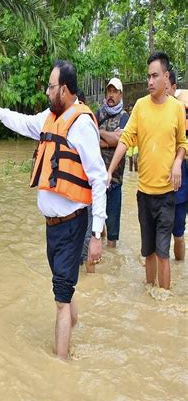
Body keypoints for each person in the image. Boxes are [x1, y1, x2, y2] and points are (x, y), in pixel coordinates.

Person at [0, 60, 107, 360]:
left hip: (73, 224)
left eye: (50, 86)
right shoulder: (50, 118)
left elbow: (99, 179)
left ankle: (60, 365)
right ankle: (75, 325)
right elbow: (22, 122)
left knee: (60, 299)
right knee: (64, 286)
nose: (47, 91)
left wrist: (97, 233)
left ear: (64, 89)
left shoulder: (82, 124)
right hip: (54, 226)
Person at [107, 52, 187, 289]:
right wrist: (110, 170)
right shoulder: (140, 107)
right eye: (148, 76)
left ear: (166, 77)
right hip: (144, 194)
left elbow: (182, 143)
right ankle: (151, 296)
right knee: (148, 252)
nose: (150, 81)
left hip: (167, 195)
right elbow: (125, 141)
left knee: (163, 253)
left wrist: (177, 162)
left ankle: (163, 300)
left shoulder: (176, 109)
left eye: (154, 76)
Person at [81, 78, 129, 272]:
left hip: (115, 179)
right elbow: (89, 137)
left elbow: (122, 140)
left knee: (113, 233)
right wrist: (109, 138)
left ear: (121, 95)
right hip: (96, 181)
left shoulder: (126, 117)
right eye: (109, 91)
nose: (111, 95)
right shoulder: (97, 113)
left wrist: (101, 135)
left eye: (115, 92)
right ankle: (98, 262)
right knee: (96, 227)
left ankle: (112, 265)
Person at [167, 70, 187, 260]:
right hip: (163, 185)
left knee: (178, 233)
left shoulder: (180, 110)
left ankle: (180, 265)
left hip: (181, 181)